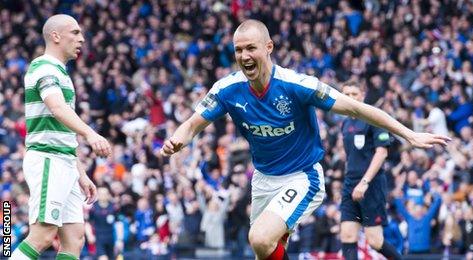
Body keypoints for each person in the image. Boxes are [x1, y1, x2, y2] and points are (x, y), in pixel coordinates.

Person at [160, 19, 449, 260]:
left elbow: (356, 108)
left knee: (260, 238)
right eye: (238, 50)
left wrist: (409, 134)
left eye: (251, 48)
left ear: (269, 47)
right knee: (265, 250)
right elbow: (193, 123)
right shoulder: (228, 89)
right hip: (263, 179)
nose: (245, 56)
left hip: (302, 177)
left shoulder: (297, 86)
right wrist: (177, 140)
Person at [10, 14, 112, 260]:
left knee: (75, 237)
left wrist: (80, 173)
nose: (82, 38)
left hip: (64, 161)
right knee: (43, 235)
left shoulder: (61, 73)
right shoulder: (42, 66)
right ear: (55, 36)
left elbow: (62, 128)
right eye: (75, 33)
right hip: (48, 159)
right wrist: (89, 132)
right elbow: (56, 107)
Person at [338, 81, 402, 260]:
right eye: (346, 94)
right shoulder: (345, 124)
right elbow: (351, 156)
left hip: (371, 185)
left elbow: (381, 153)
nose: (350, 98)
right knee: (347, 235)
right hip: (350, 183)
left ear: (362, 95)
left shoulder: (374, 118)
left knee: (374, 240)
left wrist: (364, 183)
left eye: (354, 94)